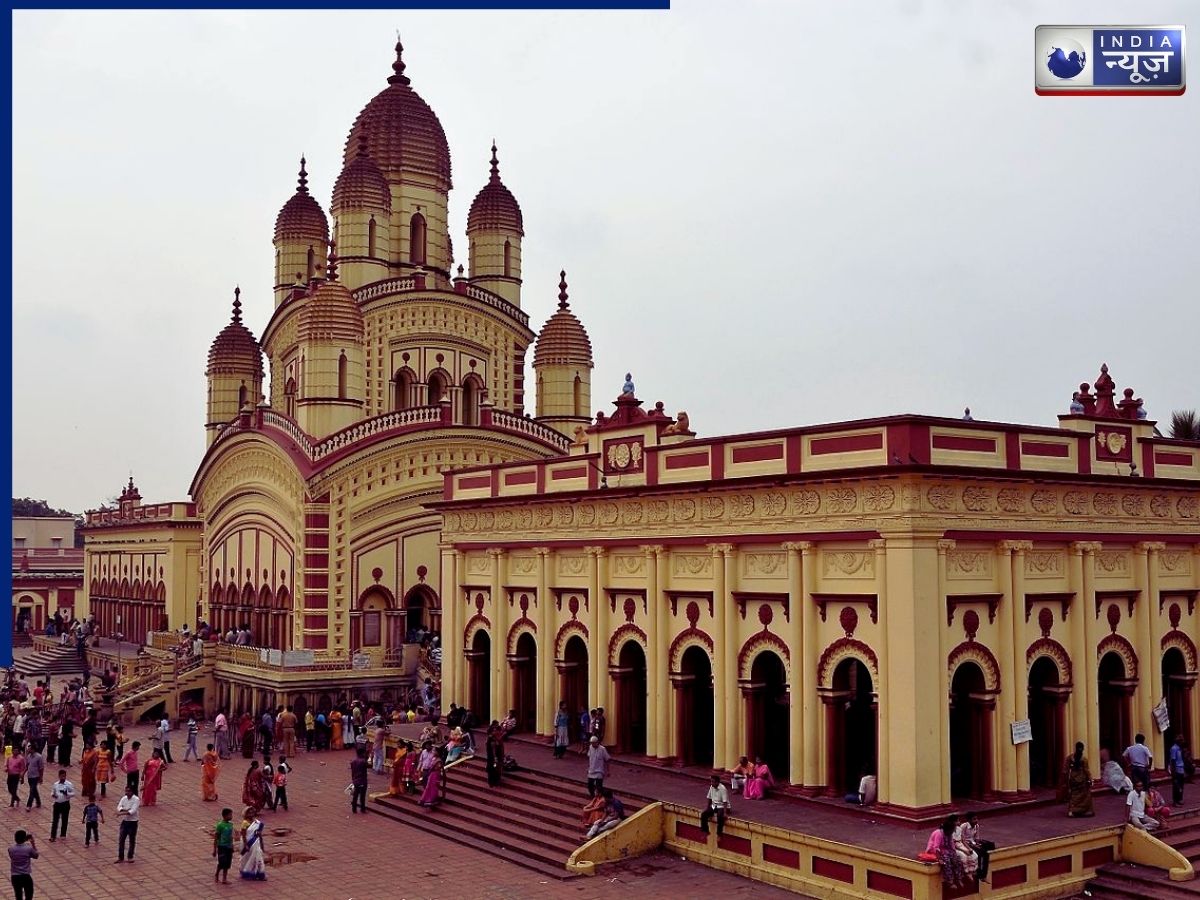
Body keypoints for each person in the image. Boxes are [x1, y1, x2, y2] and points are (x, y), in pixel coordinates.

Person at [923, 815, 967, 888]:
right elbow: (936, 847)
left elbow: (951, 845)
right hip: (935, 850)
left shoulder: (949, 834)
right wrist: (939, 859)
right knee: (947, 861)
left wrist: (954, 855)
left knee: (957, 860)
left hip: (946, 849)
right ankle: (950, 881)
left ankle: (959, 878)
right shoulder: (939, 833)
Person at [956, 813, 994, 882]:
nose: (976, 820)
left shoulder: (976, 826)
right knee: (978, 854)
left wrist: (979, 843)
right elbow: (962, 839)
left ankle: (984, 875)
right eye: (974, 819)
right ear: (969, 820)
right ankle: (979, 874)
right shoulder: (963, 826)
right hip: (966, 844)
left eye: (976, 819)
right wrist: (972, 846)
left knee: (986, 853)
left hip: (973, 842)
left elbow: (976, 838)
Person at [1064, 742, 1095, 817]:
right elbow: (1086, 770)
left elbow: (1066, 769)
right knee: (1085, 795)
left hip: (1073, 778)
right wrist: (1090, 779)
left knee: (1073, 795)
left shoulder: (1070, 757)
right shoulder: (1084, 759)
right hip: (1082, 779)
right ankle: (1082, 811)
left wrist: (1066, 780)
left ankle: (1072, 810)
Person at [8, 830, 38, 900]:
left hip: (15, 876)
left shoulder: (10, 849)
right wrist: (33, 843)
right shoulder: (28, 848)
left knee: (18, 895)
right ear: (24, 839)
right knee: (29, 895)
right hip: (26, 876)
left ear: (15, 838)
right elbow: (36, 855)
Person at [238, 807, 266, 880]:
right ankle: (248, 872)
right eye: (249, 813)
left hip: (256, 843)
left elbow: (259, 834)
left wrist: (262, 844)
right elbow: (243, 835)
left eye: (252, 812)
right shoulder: (244, 823)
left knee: (258, 857)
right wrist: (246, 845)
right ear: (246, 814)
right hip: (248, 843)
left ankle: (260, 873)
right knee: (247, 858)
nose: (251, 814)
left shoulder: (257, 822)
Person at [48, 769, 76, 842]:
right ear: (59, 776)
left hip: (65, 803)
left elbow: (73, 793)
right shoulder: (55, 784)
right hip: (57, 804)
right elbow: (52, 792)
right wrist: (54, 795)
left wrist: (67, 794)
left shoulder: (69, 784)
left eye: (64, 776)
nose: (63, 777)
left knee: (64, 819)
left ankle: (63, 834)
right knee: (55, 820)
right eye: (61, 776)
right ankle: (52, 836)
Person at [115, 784, 140, 863]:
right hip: (125, 821)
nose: (127, 793)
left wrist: (121, 813)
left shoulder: (136, 799)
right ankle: (120, 857)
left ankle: (130, 856)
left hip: (133, 822)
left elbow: (132, 812)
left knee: (131, 840)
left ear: (132, 792)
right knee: (121, 839)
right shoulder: (124, 798)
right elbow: (119, 807)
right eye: (126, 791)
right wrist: (125, 810)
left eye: (128, 791)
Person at [212, 808, 234, 884]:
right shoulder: (220, 825)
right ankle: (217, 874)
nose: (231, 816)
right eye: (230, 815)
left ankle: (224, 878)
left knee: (228, 863)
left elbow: (231, 836)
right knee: (222, 862)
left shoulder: (231, 825)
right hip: (222, 846)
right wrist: (215, 849)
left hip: (229, 846)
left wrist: (232, 845)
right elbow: (216, 837)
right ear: (224, 816)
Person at [349, 750, 369, 814]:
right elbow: (368, 766)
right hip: (362, 780)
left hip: (355, 780)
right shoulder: (363, 762)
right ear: (362, 753)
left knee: (355, 794)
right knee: (362, 795)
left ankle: (354, 808)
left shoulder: (353, 762)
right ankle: (362, 809)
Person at [1170, 733, 1187, 806]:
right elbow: (1173, 760)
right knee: (1176, 786)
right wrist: (1173, 772)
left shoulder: (1180, 749)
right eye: (1181, 741)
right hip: (1176, 769)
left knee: (1181, 785)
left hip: (1181, 768)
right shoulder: (1174, 748)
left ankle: (1180, 799)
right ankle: (1175, 801)